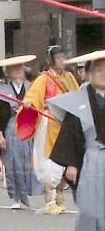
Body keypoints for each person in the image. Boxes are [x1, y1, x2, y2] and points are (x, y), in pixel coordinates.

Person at [49, 50, 105, 231]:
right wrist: (71, 164)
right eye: (97, 70)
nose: (102, 74)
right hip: (90, 159)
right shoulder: (79, 102)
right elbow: (71, 134)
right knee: (90, 208)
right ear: (88, 74)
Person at [19, 46, 80, 215]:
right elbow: (33, 97)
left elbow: (78, 97)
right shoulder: (43, 79)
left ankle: (60, 195)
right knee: (48, 158)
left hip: (66, 123)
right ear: (50, 60)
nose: (62, 60)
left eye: (63, 57)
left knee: (68, 156)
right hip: (49, 122)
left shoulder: (69, 77)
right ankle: (50, 200)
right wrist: (29, 104)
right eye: (59, 57)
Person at [0, 56, 40, 209]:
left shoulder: (31, 88)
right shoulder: (1, 91)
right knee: (12, 163)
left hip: (27, 127)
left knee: (27, 162)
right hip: (10, 128)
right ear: (8, 73)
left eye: (19, 68)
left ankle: (24, 194)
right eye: (13, 69)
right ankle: (15, 196)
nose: (17, 72)